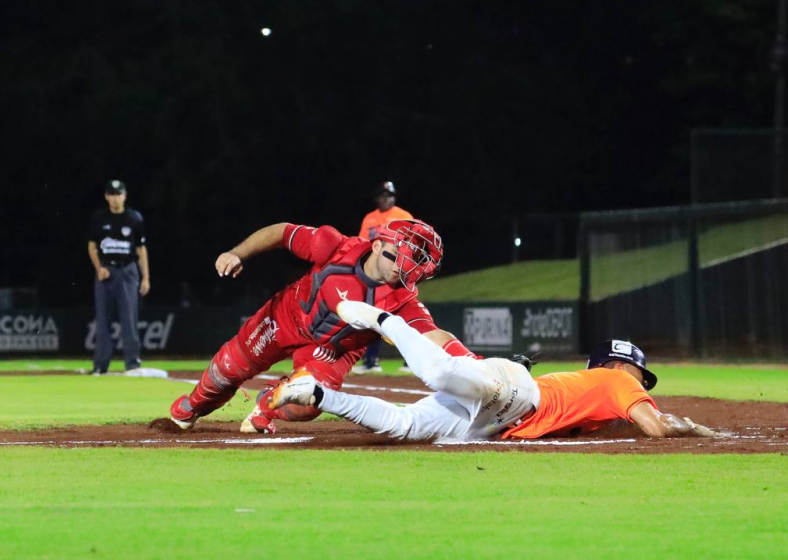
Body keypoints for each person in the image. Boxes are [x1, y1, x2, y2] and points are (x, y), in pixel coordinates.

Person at [168, 218, 476, 434]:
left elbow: (432, 335)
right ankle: (193, 406)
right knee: (226, 371)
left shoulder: (404, 299)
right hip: (284, 319)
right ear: (380, 244)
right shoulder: (333, 246)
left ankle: (267, 403)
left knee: (310, 401)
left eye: (414, 265)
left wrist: (474, 364)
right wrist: (237, 253)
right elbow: (282, 232)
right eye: (401, 258)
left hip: (332, 351)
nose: (404, 269)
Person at [270, 299, 727, 441]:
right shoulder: (614, 382)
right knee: (443, 375)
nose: (641, 385)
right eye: (639, 375)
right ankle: (384, 319)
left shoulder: (592, 392)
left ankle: (319, 395)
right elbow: (657, 428)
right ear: (618, 366)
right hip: (517, 393)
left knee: (405, 425)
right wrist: (702, 431)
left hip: (495, 420)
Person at [87, 179, 150, 375]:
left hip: (127, 270)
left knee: (129, 317)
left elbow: (141, 249)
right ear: (106, 196)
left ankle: (132, 362)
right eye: (112, 194)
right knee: (103, 319)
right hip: (106, 271)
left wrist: (146, 277)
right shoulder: (99, 218)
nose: (115, 198)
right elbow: (92, 246)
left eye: (119, 194)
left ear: (125, 195)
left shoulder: (134, 218)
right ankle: (100, 365)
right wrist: (98, 268)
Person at [354, 181, 414, 375]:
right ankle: (372, 361)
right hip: (374, 275)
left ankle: (411, 361)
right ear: (377, 198)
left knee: (404, 315)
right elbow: (362, 244)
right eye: (383, 195)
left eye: (390, 195)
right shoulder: (369, 219)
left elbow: (413, 245)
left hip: (396, 272)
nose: (387, 198)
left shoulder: (403, 216)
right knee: (372, 316)